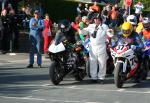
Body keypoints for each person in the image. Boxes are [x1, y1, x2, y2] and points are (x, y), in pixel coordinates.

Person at [81, 15, 109, 84]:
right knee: (93, 62)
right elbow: (84, 32)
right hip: (93, 46)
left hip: (101, 45)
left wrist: (110, 33)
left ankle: (101, 78)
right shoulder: (91, 26)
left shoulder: (104, 26)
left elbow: (109, 33)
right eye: (95, 19)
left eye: (98, 19)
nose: (96, 20)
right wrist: (81, 29)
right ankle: (94, 77)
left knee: (102, 62)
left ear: (100, 20)